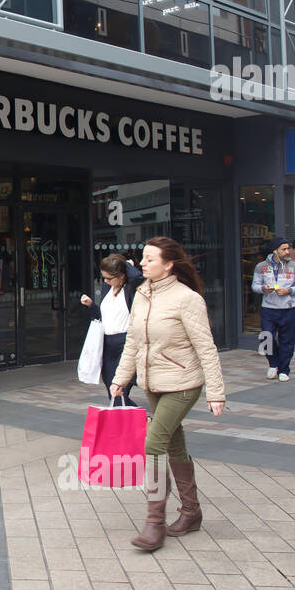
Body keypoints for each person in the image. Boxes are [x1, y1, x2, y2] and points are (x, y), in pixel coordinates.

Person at [110, 237, 226, 553]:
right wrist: (121, 379)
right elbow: (133, 342)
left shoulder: (187, 299)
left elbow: (206, 347)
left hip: (183, 383)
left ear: (168, 264)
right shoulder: (142, 294)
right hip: (154, 383)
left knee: (153, 443)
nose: (142, 263)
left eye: (150, 259)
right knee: (174, 444)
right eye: (143, 258)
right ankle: (191, 512)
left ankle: (154, 523)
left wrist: (216, 392)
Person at [80, 253, 145, 406]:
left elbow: (138, 277)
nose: (106, 281)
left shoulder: (130, 289)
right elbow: (103, 316)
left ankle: (144, 420)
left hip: (126, 343)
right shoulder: (107, 288)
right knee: (113, 394)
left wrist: (127, 264)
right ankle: (145, 419)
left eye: (109, 278)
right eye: (104, 278)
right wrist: (91, 306)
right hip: (107, 344)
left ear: (121, 276)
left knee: (119, 392)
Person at [251, 236, 295, 381]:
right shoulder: (261, 266)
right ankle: (273, 363)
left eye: (288, 248)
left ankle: (284, 370)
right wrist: (263, 289)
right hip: (268, 309)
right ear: (275, 250)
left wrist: (289, 290)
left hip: (288, 309)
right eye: (284, 249)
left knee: (286, 341)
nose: (287, 251)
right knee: (266, 337)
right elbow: (255, 285)